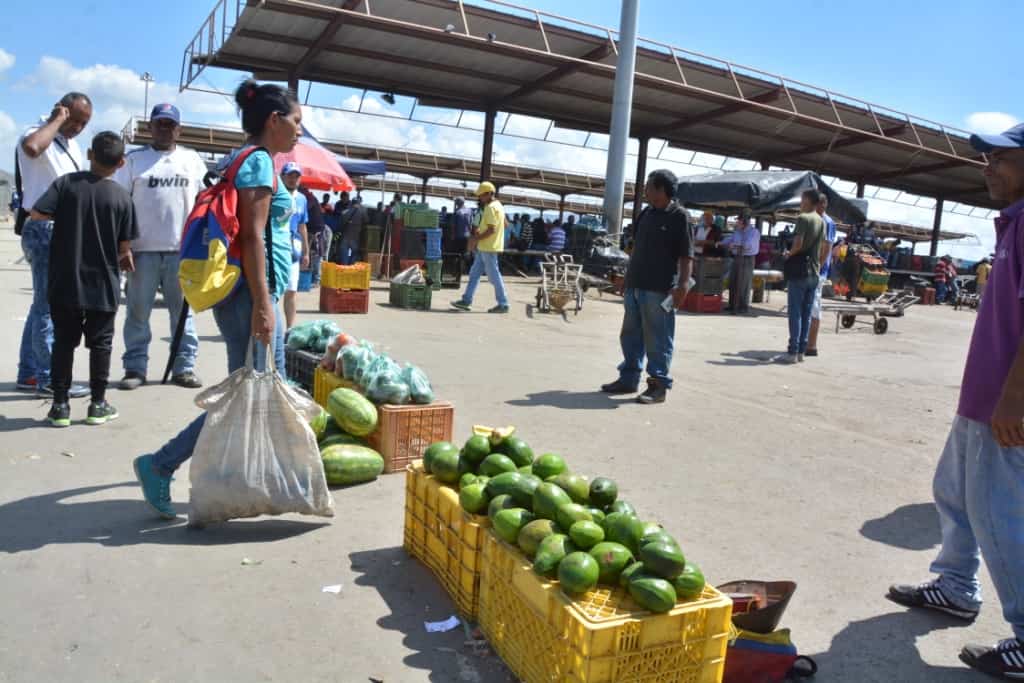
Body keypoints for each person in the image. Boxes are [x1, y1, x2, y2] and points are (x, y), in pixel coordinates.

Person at [887, 121, 1024, 680]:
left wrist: (1013, 401)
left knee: (1000, 516)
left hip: (1005, 404)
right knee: (954, 494)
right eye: (987, 158)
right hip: (983, 397)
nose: (987, 167)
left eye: (1001, 159)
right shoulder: (1012, 224)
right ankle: (955, 585)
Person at [133, 80, 300, 519]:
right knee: (248, 395)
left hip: (249, 294)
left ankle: (236, 481)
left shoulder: (244, 158)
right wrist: (266, 305)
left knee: (252, 394)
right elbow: (253, 236)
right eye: (297, 122)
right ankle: (162, 464)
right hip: (249, 296)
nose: (300, 132)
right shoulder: (260, 163)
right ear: (274, 120)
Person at [30, 131, 138, 426]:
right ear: (120, 163)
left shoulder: (66, 184)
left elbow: (38, 213)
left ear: (90, 154)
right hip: (103, 285)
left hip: (65, 282)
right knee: (101, 345)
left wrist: (67, 222)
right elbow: (124, 247)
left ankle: (60, 406)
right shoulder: (122, 198)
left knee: (64, 343)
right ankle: (98, 404)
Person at [115, 103, 206, 390]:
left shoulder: (192, 161)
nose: (165, 129)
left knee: (183, 314)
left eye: (170, 124)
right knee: (138, 312)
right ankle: (135, 368)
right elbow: (120, 204)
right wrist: (123, 246)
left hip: (183, 252)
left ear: (178, 129)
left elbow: (206, 203)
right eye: (160, 124)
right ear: (150, 127)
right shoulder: (133, 161)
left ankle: (184, 367)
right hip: (141, 253)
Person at [16, 92, 93, 398]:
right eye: (73, 119)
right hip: (44, 228)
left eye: (83, 123)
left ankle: (29, 373)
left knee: (41, 304)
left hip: (61, 229)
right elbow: (33, 148)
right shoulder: (36, 134)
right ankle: (50, 377)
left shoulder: (69, 144)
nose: (76, 127)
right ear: (60, 110)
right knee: (48, 306)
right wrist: (56, 120)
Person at [600, 169, 693, 404]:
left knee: (658, 339)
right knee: (630, 335)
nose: (645, 191)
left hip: (659, 289)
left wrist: (682, 285)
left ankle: (658, 386)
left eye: (649, 187)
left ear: (662, 190)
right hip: (636, 286)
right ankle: (628, 379)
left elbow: (686, 256)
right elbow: (636, 250)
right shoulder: (646, 214)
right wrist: (626, 279)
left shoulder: (679, 216)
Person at [450, 181, 509, 313]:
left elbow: (491, 230)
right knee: (474, 274)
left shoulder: (490, 208)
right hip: (486, 247)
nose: (480, 198)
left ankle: (503, 303)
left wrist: (476, 238)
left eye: (481, 195)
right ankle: (466, 300)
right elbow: (505, 225)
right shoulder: (499, 206)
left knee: (494, 276)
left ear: (489, 194)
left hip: (488, 247)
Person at [782, 190, 825, 364]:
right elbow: (821, 248)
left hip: (799, 272)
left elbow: (798, 243)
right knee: (807, 313)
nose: (800, 202)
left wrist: (788, 253)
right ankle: (801, 351)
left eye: (802, 199)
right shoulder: (821, 221)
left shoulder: (803, 218)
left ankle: (792, 351)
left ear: (808, 200)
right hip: (814, 272)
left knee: (795, 313)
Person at [805, 195, 838, 356]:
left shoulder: (827, 222)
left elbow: (827, 247)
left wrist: (816, 268)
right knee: (808, 306)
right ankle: (805, 342)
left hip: (818, 271)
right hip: (810, 268)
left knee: (814, 306)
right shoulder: (813, 220)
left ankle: (811, 346)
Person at [280, 162, 308, 330]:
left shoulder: (302, 199)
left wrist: (306, 251)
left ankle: (289, 329)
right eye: (290, 175)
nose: (293, 179)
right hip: (277, 242)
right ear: (283, 177)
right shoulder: (275, 194)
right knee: (273, 290)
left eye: (296, 176)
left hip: (294, 245)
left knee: (291, 289)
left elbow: (302, 225)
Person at [717, 213, 760, 314]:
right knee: (733, 281)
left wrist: (735, 245)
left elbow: (748, 245)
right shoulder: (737, 231)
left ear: (745, 222)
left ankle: (742, 306)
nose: (737, 222)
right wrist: (720, 242)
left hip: (747, 259)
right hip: (737, 258)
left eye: (739, 220)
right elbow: (730, 239)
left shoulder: (754, 232)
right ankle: (732, 305)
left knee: (744, 282)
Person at [300, 184, 326, 287]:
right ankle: (312, 278)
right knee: (311, 254)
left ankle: (316, 279)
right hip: (311, 230)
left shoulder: (310, 198)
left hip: (317, 231)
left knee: (317, 254)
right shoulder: (309, 198)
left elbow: (304, 209)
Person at [336, 196, 368, 265]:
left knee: (344, 260)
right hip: (355, 238)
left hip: (345, 238)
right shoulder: (362, 212)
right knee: (353, 259)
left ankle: (344, 270)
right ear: (359, 203)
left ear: (351, 203)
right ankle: (350, 270)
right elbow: (366, 221)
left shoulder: (344, 212)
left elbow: (340, 226)